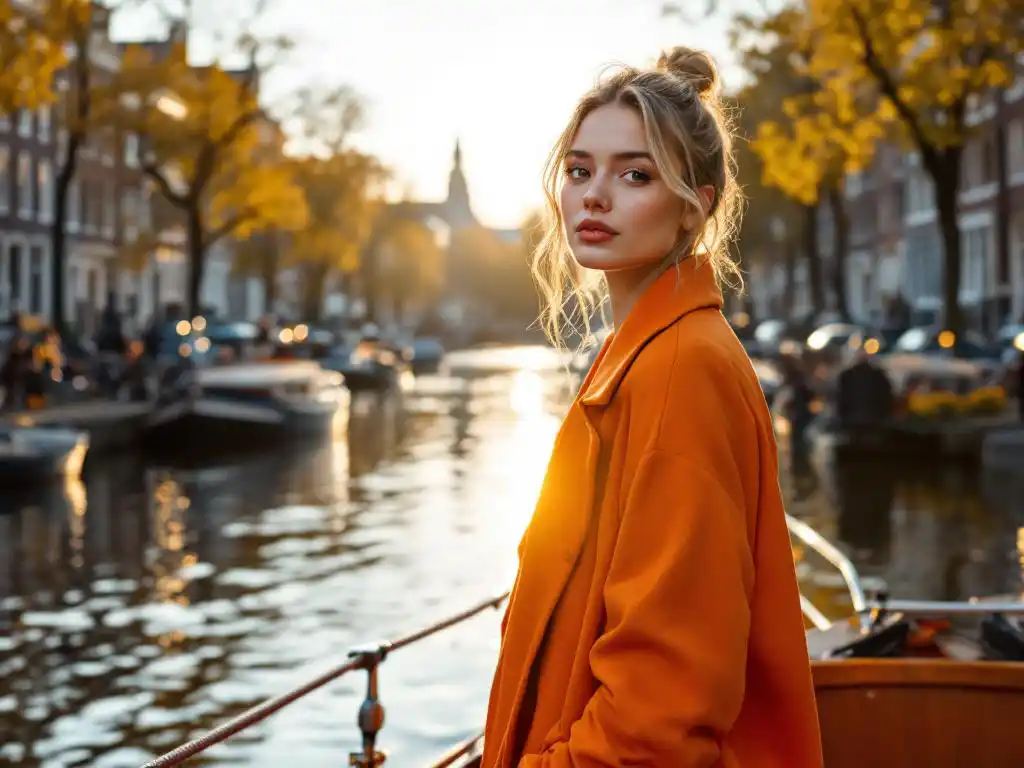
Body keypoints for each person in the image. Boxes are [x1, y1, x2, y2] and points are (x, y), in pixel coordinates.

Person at [482, 48, 822, 768]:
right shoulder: (643, 353)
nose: (594, 195)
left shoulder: (679, 369)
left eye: (635, 175)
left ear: (694, 206)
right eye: (580, 170)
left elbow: (661, 712)